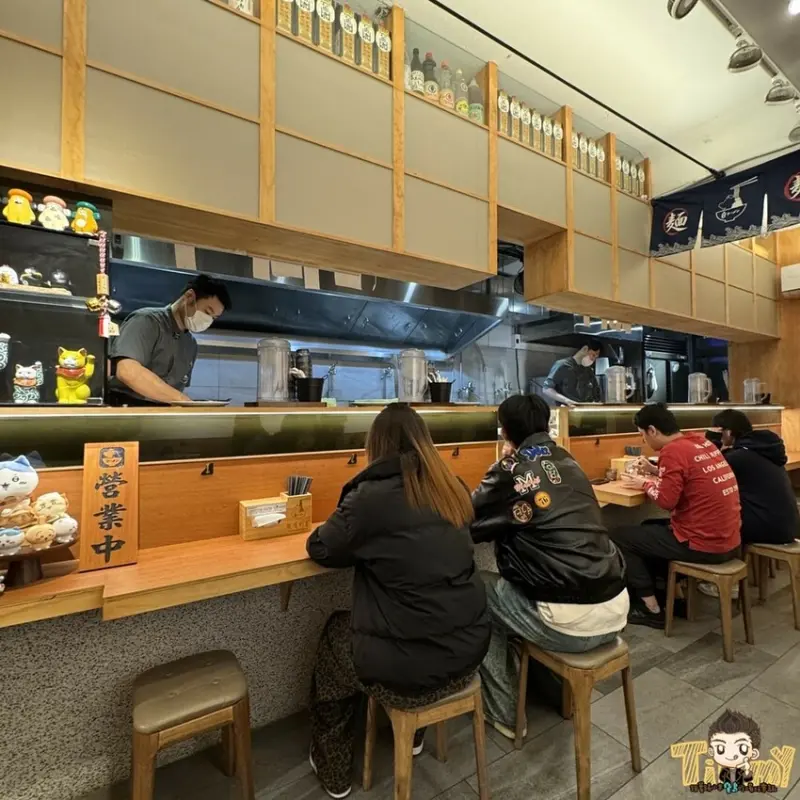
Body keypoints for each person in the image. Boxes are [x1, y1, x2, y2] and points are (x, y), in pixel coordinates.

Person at [305, 404, 490, 799]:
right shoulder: (453, 487)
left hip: (408, 673)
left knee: (336, 635)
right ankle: (415, 735)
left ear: (376, 446)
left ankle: (333, 767)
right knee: (419, 618)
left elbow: (321, 548)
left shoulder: (369, 498)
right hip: (468, 656)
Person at [471, 394, 628, 740]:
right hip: (617, 611)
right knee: (520, 593)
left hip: (569, 624)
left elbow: (469, 518)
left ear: (505, 431)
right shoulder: (569, 461)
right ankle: (554, 693)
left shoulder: (509, 469)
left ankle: (505, 713)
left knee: (476, 589)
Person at [611, 403, 741, 629]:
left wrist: (644, 484)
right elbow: (689, 476)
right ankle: (671, 598)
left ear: (652, 430)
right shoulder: (701, 442)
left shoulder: (672, 451)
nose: (644, 440)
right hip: (730, 539)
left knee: (619, 536)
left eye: (642, 435)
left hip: (705, 544)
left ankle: (650, 608)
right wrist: (655, 471)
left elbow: (666, 501)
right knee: (647, 526)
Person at [108, 273, 231, 405]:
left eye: (213, 318)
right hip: (127, 407)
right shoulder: (147, 321)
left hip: (164, 412)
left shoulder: (190, 344)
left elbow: (173, 391)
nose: (208, 320)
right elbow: (127, 371)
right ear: (190, 297)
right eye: (207, 312)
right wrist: (183, 400)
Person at [710, 408, 798, 546]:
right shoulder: (762, 449)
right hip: (789, 525)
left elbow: (710, 473)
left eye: (718, 432)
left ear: (728, 432)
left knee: (715, 522)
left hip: (769, 528)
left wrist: (712, 445)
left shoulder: (738, 457)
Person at [542, 339, 603, 407]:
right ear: (585, 349)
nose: (593, 359)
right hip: (567, 410)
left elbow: (596, 395)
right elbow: (546, 389)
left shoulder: (589, 371)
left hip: (586, 410)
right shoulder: (563, 365)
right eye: (593, 355)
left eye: (596, 357)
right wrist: (566, 401)